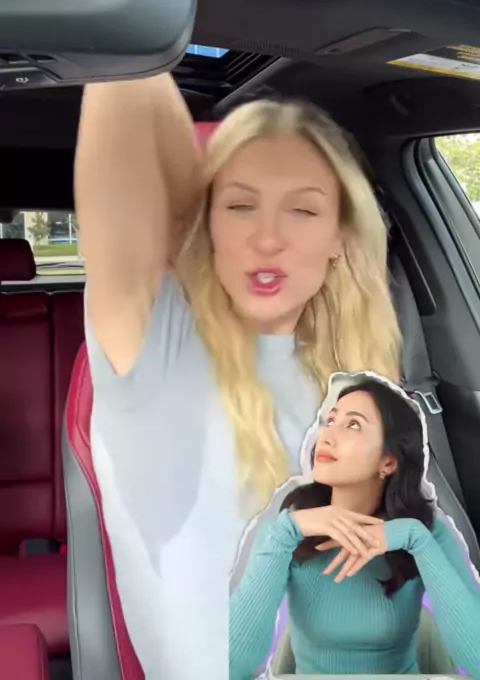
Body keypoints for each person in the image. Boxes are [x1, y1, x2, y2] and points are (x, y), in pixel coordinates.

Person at [74, 73, 401, 679]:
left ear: (338, 237)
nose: (267, 238)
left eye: (303, 209)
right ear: (205, 226)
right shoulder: (157, 352)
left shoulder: (355, 382)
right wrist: (143, 30)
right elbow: (121, 76)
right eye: (240, 206)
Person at [229, 372, 480, 680]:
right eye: (330, 421)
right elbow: (230, 667)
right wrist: (286, 532)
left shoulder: (427, 533)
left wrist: (415, 538)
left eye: (353, 425)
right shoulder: (286, 531)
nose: (327, 436)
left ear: (388, 462)